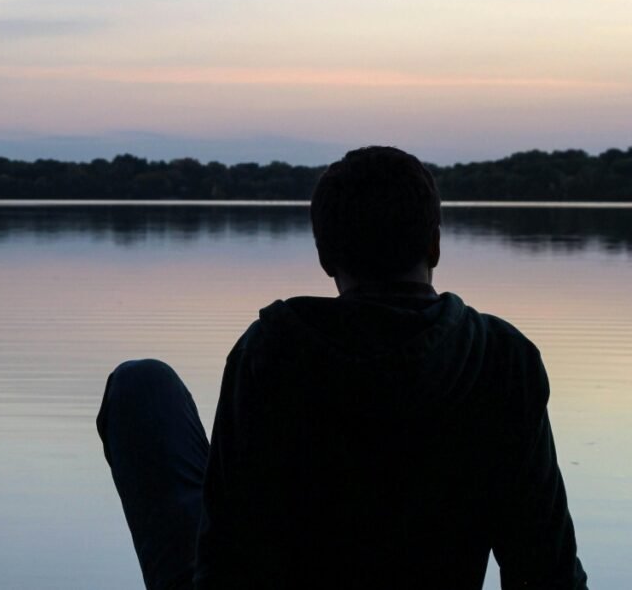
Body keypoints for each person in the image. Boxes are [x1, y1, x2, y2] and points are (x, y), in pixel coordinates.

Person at [96, 146, 587, 590]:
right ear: (435, 245)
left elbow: (228, 556)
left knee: (141, 384)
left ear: (325, 256)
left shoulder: (270, 350)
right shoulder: (501, 358)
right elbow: (547, 572)